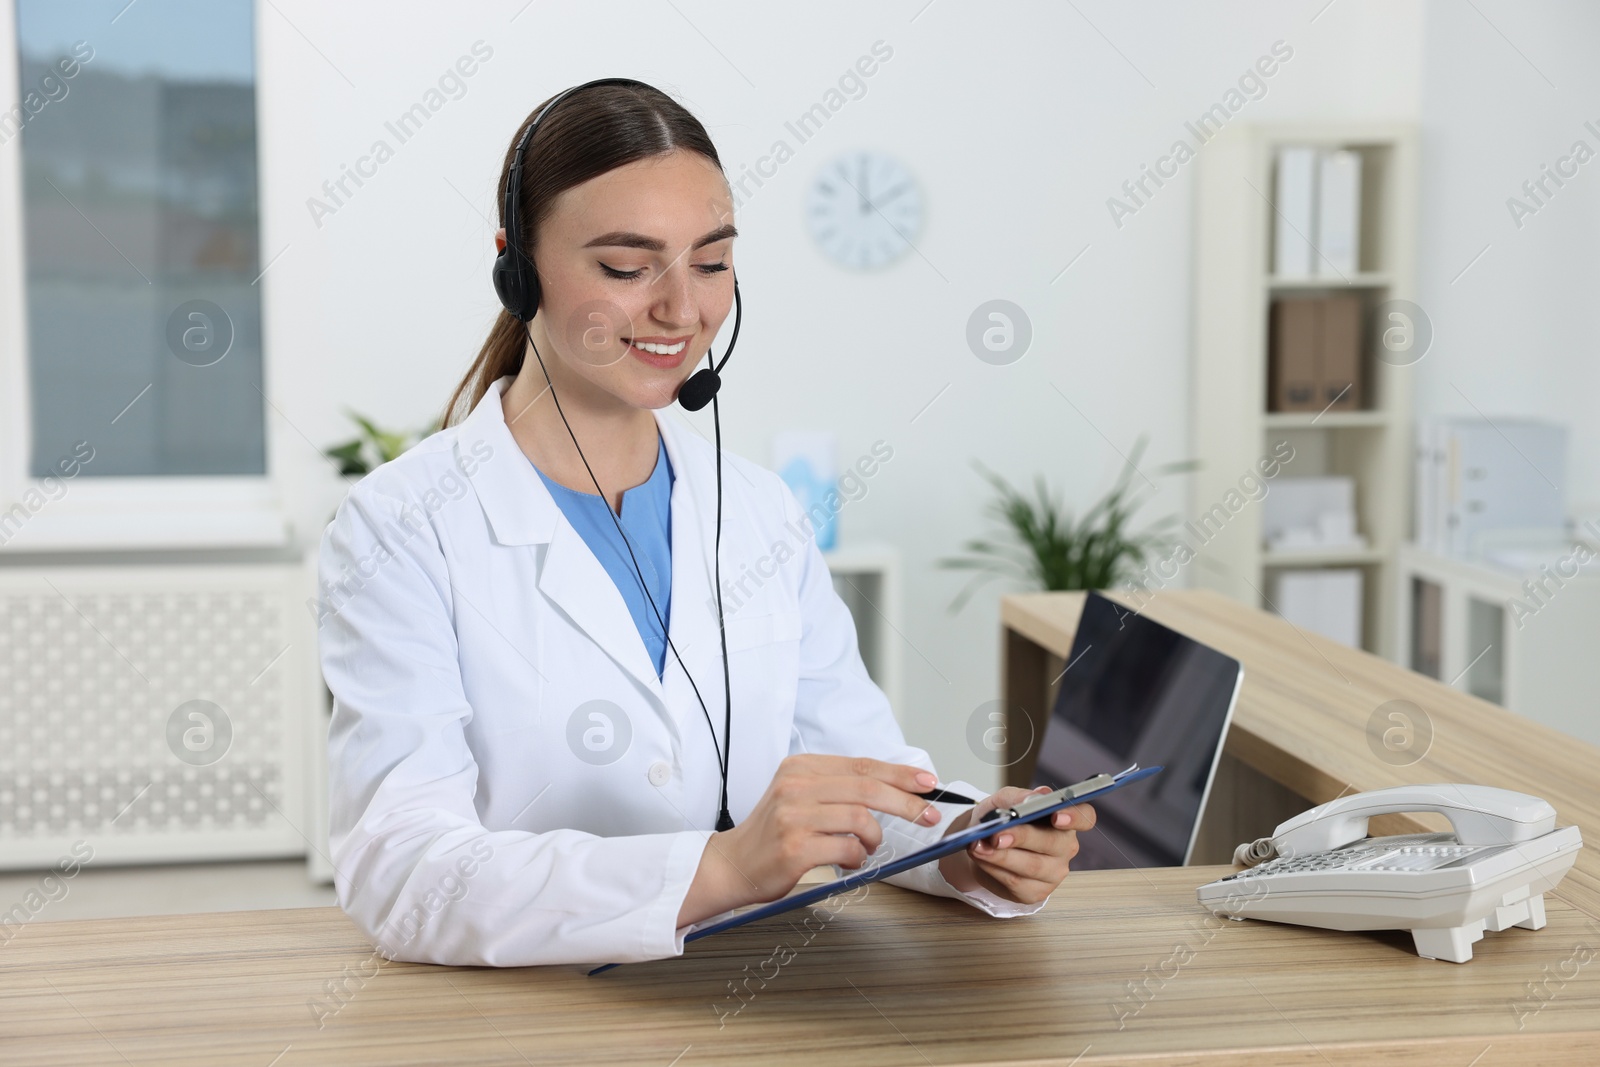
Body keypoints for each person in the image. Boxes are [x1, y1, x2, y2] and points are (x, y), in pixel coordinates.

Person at [318, 79, 1096, 967]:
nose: (682, 311)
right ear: (516, 267)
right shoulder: (400, 525)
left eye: (712, 261)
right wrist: (721, 867)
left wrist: (964, 843)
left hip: (746, 1007)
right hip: (523, 1014)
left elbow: (855, 768)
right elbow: (405, 871)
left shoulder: (759, 511)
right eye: (625, 266)